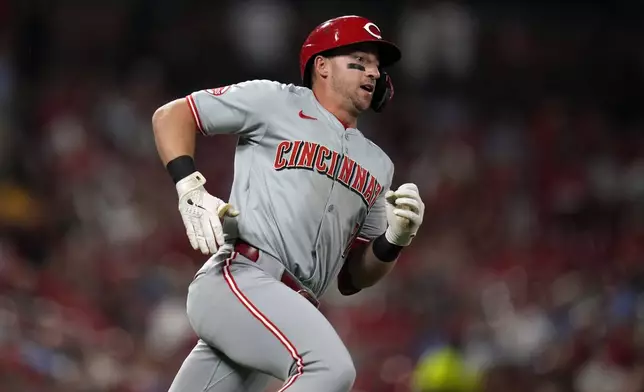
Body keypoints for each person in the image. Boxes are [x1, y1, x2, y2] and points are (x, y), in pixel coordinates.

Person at [152, 15, 425, 392]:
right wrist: (190, 188)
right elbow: (172, 115)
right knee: (329, 369)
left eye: (377, 65)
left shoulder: (379, 164)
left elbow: (353, 278)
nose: (373, 72)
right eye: (359, 61)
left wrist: (395, 238)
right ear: (322, 66)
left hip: (287, 309)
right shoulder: (274, 100)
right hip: (242, 277)